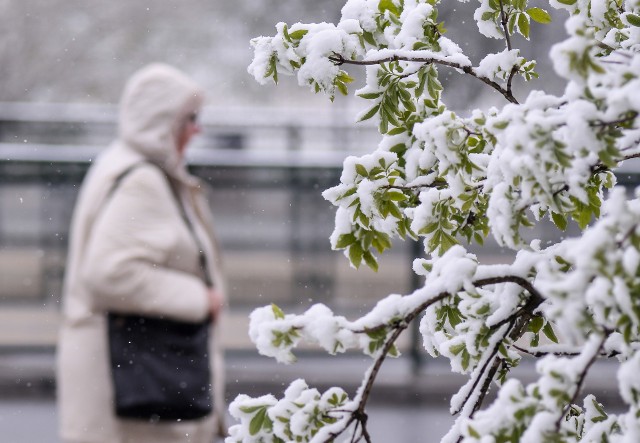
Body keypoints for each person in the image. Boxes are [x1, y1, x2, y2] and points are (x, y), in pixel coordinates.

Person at [56, 63, 226, 443]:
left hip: (125, 380)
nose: (197, 129)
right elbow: (109, 275)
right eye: (190, 118)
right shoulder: (142, 180)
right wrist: (202, 299)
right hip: (136, 390)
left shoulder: (120, 164)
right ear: (161, 121)